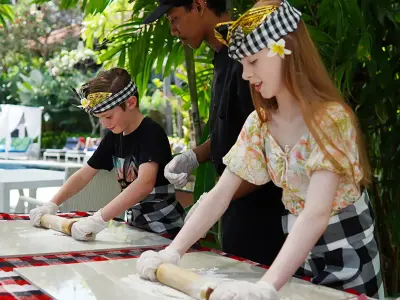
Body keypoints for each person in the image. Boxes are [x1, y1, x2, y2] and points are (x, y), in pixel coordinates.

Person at [136, 1, 384, 299]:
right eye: (242, 64)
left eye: (253, 62)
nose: (245, 75)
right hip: (299, 251)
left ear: (286, 52)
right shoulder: (260, 124)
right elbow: (221, 193)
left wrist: (267, 285)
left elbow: (316, 212)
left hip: (348, 250)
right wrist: (172, 253)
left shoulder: (331, 120)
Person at [143, 0, 285, 267]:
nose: (173, 31)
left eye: (174, 19)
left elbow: (268, 156)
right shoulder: (224, 60)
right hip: (233, 210)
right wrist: (194, 156)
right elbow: (239, 134)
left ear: (198, 6)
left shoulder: (251, 66)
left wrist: (216, 198)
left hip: (265, 217)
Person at [30, 68, 186, 241]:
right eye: (99, 118)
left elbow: (144, 184)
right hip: (137, 228)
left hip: (167, 230)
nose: (104, 123)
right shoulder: (115, 136)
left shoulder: (151, 133)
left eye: (108, 116)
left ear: (131, 103)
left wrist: (98, 219)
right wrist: (52, 204)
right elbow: (84, 174)